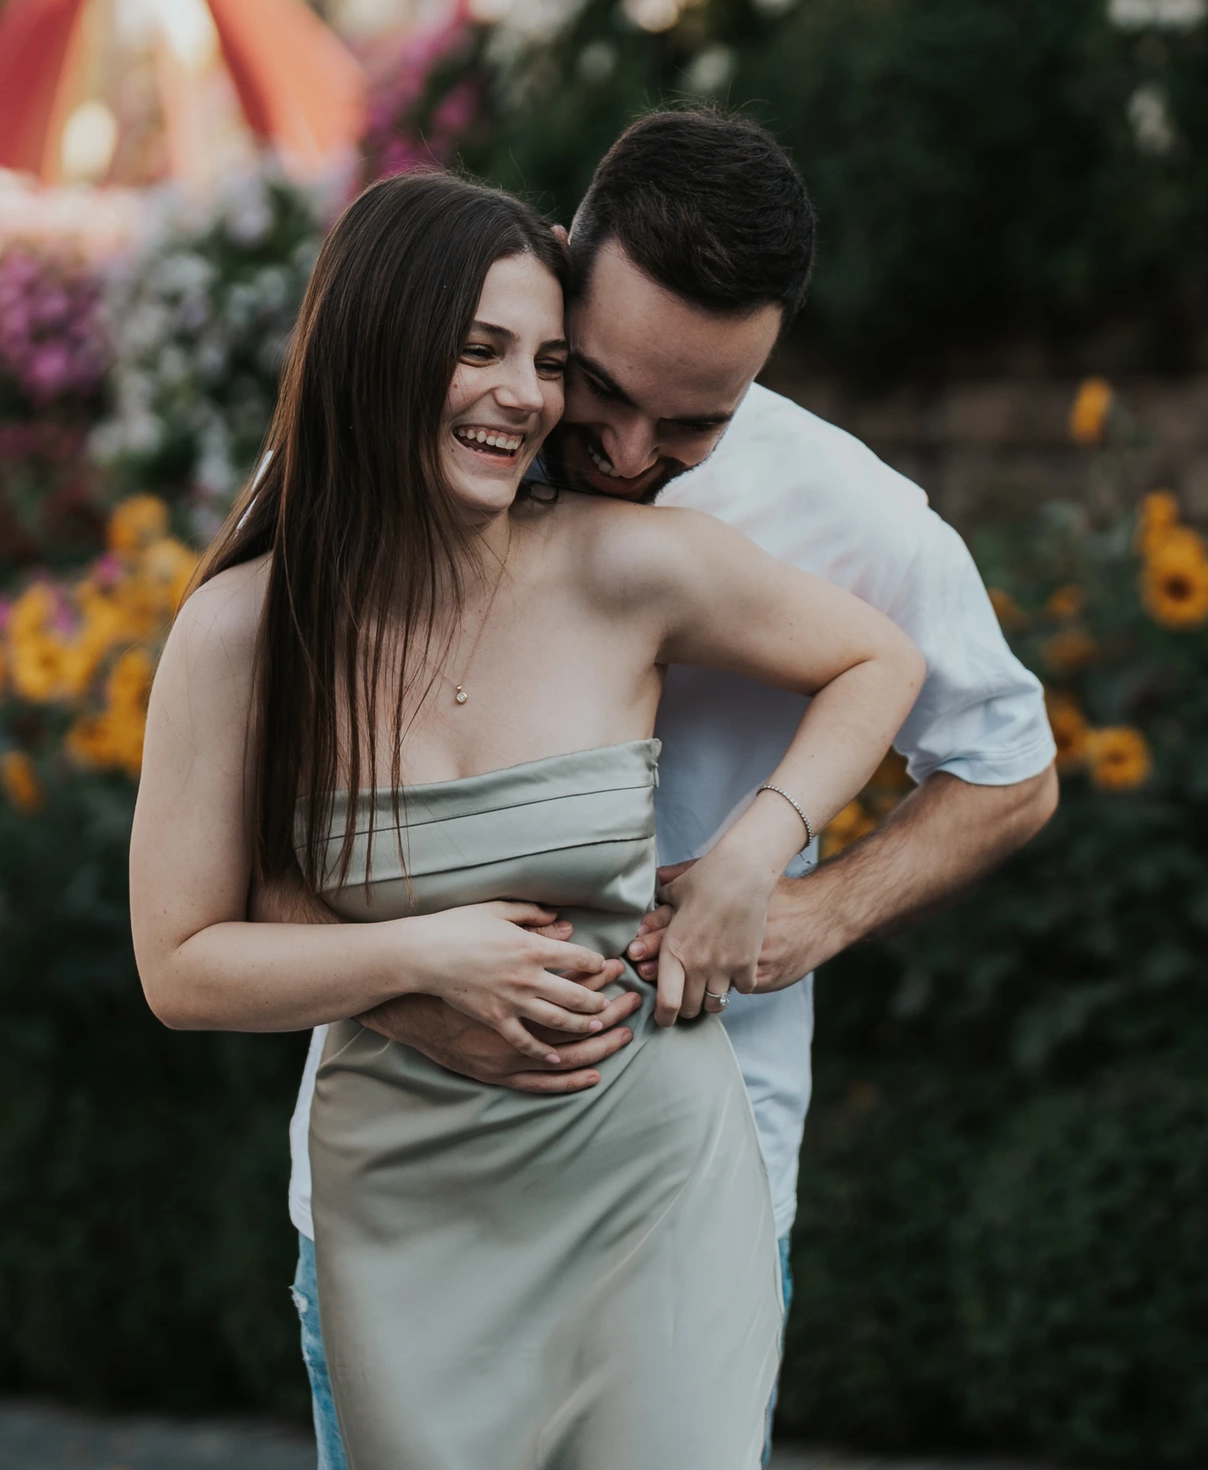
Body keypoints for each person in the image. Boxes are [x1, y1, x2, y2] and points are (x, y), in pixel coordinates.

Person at [278, 111, 1060, 1468]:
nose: (631, 452)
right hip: (400, 1181)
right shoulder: (424, 453)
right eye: (606, 389)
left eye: (695, 423)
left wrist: (806, 901)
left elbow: (1011, 774)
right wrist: (410, 993)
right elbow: (266, 838)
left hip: (693, 1185)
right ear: (565, 265)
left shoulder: (863, 524)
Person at [129, 168, 926, 1470]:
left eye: (550, 360)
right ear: (377, 348)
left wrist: (756, 853)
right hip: (404, 1199)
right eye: (481, 348)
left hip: (652, 1176)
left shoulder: (623, 564)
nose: (528, 397)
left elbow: (877, 662)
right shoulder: (243, 634)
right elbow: (181, 964)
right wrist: (424, 957)